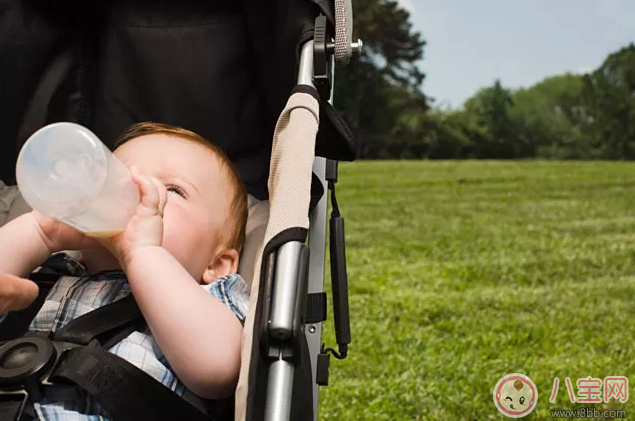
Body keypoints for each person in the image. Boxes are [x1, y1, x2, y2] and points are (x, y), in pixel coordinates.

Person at [0, 122, 250, 420]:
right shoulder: (59, 270)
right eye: (118, 178)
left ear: (216, 265)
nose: (135, 192)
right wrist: (42, 232)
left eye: (172, 189)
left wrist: (143, 252)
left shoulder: (203, 300)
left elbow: (218, 368)